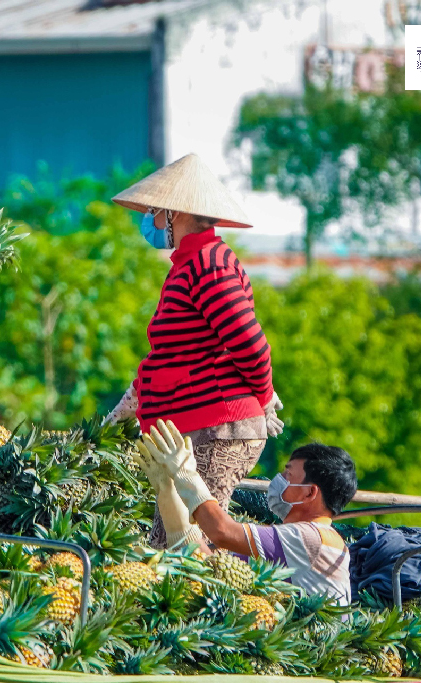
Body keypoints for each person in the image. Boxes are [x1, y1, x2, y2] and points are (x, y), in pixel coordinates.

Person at [102, 153, 283, 549]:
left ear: (172, 214)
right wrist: (135, 399)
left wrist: (265, 398)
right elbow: (175, 354)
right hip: (192, 426)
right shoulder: (187, 265)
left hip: (219, 424)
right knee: (168, 539)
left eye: (153, 211)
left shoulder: (209, 262)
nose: (148, 219)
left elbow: (249, 344)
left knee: (193, 545)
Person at [134, 419, 357, 604]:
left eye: (288, 476)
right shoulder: (293, 539)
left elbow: (221, 531)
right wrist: (167, 493)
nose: (279, 481)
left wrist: (186, 475)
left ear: (309, 493)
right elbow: (209, 567)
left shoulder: (313, 539)